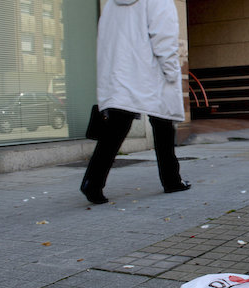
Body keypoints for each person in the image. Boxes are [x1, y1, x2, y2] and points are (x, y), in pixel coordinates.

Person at [80, 0, 190, 204]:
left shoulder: (112, 4)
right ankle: (171, 181)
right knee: (163, 125)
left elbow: (105, 41)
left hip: (122, 73)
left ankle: (92, 183)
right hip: (152, 73)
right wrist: (172, 73)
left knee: (115, 129)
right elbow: (164, 38)